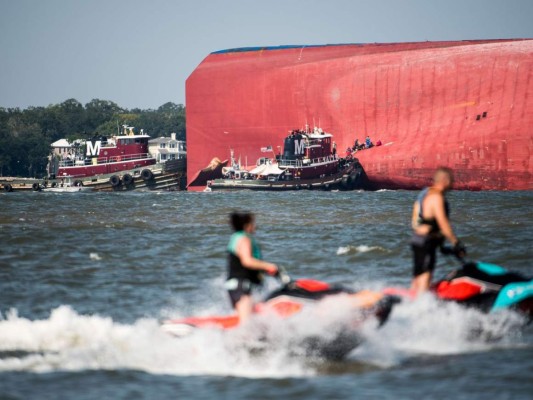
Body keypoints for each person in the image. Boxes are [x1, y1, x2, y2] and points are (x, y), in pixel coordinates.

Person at [410, 167, 466, 294]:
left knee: (418, 276)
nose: (453, 184)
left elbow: (415, 217)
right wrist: (456, 243)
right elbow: (443, 223)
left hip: (418, 239)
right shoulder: (437, 197)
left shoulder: (425, 194)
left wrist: (441, 246)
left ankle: (412, 299)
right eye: (451, 180)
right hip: (426, 241)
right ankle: (421, 305)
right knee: (425, 276)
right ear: (445, 180)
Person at [226, 212, 278, 323]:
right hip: (241, 286)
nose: (255, 226)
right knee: (246, 324)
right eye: (253, 223)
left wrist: (264, 269)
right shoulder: (244, 239)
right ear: (247, 225)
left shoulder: (235, 237)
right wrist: (269, 265)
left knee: (248, 318)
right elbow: (247, 261)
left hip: (235, 285)